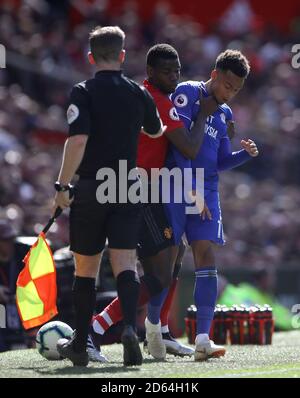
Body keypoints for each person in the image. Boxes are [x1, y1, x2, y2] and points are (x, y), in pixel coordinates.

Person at [90, 44, 218, 360]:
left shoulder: (149, 96)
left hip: (143, 188)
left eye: (177, 70)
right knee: (158, 275)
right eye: (166, 71)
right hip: (137, 192)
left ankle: (159, 330)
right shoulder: (157, 101)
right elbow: (188, 148)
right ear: (150, 72)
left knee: (176, 254)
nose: (174, 76)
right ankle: (93, 329)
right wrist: (203, 114)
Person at [53, 26, 165, 367]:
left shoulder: (83, 92)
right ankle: (129, 328)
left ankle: (81, 343)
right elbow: (156, 129)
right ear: (122, 55)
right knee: (125, 266)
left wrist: (61, 187)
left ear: (90, 57)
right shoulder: (136, 92)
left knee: (85, 270)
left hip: (90, 186)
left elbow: (77, 141)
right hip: (126, 185)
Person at [162, 49, 259, 361]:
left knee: (205, 254)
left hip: (208, 190)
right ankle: (155, 328)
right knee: (168, 260)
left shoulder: (225, 114)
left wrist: (245, 154)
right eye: (228, 85)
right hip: (178, 185)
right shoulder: (188, 92)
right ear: (215, 74)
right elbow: (179, 147)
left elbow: (219, 162)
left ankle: (203, 337)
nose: (230, 93)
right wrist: (192, 190)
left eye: (236, 90)